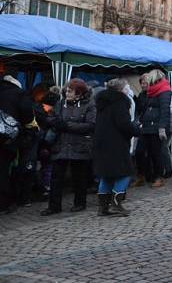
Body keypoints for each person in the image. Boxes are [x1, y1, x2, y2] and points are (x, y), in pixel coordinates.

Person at [40, 78, 96, 215]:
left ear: (79, 93)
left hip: (80, 145)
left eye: (70, 91)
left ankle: (80, 203)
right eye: (66, 90)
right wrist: (54, 122)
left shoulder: (89, 105)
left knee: (79, 177)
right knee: (56, 177)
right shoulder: (60, 103)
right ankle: (54, 206)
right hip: (61, 144)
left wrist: (67, 126)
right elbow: (52, 118)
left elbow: (90, 125)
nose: (67, 93)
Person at [93, 79, 141, 217]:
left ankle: (103, 207)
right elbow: (124, 124)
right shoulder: (120, 102)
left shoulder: (102, 101)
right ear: (120, 90)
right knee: (125, 172)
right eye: (127, 87)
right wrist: (136, 129)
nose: (128, 89)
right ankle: (115, 204)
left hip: (102, 142)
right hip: (116, 143)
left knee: (107, 174)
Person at [0, 74, 34, 213]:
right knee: (2, 171)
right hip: (6, 139)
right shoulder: (19, 94)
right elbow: (28, 117)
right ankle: (2, 205)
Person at [138, 69, 172, 188]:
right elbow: (145, 108)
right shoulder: (151, 91)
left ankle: (159, 176)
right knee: (143, 152)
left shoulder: (164, 91)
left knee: (156, 154)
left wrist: (162, 127)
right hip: (147, 126)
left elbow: (165, 110)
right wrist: (141, 121)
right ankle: (147, 175)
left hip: (156, 127)